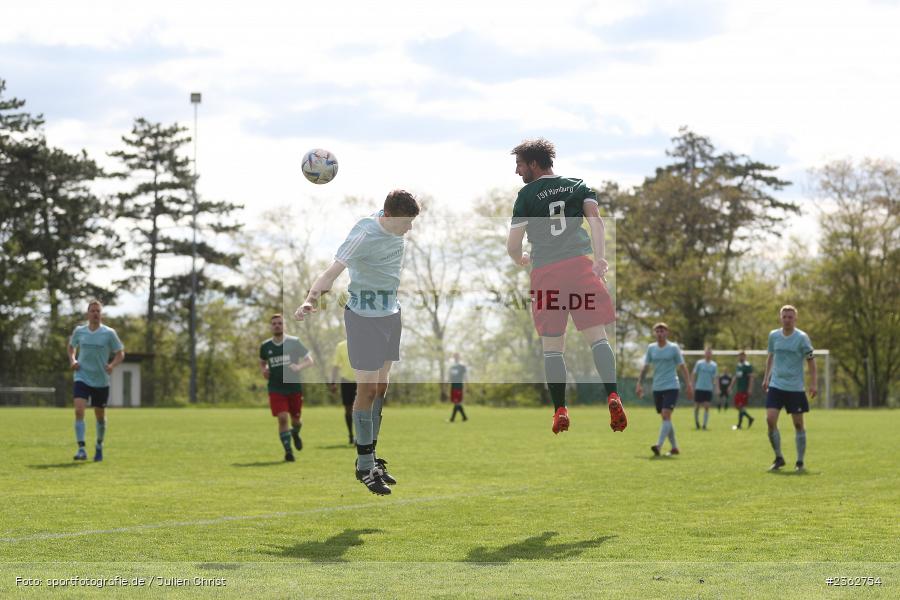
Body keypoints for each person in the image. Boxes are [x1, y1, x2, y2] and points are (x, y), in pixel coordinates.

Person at [295, 189, 420, 496]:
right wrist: (311, 300)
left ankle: (372, 459)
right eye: (405, 223)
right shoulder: (364, 233)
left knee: (380, 388)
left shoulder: (394, 221)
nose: (410, 229)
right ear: (388, 217)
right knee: (365, 389)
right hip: (364, 316)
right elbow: (332, 271)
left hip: (391, 311)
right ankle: (364, 465)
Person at [506, 138, 626, 435]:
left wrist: (519, 258)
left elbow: (513, 244)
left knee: (553, 347)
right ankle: (612, 393)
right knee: (597, 338)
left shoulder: (526, 195)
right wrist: (599, 259)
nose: (517, 171)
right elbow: (596, 222)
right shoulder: (578, 185)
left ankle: (560, 408)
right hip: (579, 266)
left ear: (533, 163)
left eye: (520, 164)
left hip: (547, 273)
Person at [68, 299, 125, 462]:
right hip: (82, 376)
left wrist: (113, 364)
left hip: (101, 380)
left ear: (101, 315)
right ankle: (81, 449)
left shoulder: (109, 333)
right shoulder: (80, 331)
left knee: (99, 416)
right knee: (79, 410)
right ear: (88, 314)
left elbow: (120, 353)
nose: (95, 314)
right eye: (92, 311)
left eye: (98, 311)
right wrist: (73, 360)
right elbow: (71, 347)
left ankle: (99, 445)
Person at [762, 305, 816, 472]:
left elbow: (811, 360)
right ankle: (779, 458)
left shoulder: (802, 338)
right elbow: (771, 356)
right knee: (770, 420)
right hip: (776, 385)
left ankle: (800, 462)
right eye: (784, 316)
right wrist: (766, 377)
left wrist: (813, 383)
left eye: (790, 317)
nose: (787, 319)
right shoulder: (774, 336)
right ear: (780, 318)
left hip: (795, 388)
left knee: (798, 424)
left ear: (795, 319)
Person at [259, 314, 314, 462]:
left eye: (280, 323)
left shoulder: (294, 342)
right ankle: (288, 452)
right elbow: (262, 361)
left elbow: (309, 360)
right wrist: (264, 370)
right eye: (274, 323)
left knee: (296, 421)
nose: (277, 325)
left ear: (284, 325)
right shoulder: (266, 346)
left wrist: (299, 366)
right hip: (276, 388)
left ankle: (295, 433)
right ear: (271, 327)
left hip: (293, 388)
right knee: (282, 418)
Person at [636, 323, 694, 457]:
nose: (660, 333)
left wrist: (689, 385)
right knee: (665, 417)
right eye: (657, 331)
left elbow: (682, 367)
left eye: (662, 331)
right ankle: (674, 447)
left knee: (665, 414)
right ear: (654, 333)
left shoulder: (673, 348)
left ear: (667, 333)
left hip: (672, 385)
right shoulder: (651, 348)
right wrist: (639, 384)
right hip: (657, 387)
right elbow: (645, 367)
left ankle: (658, 445)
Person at [329, 338, 357, 444]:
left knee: (360, 409)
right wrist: (332, 383)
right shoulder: (341, 346)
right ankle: (351, 434)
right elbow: (335, 366)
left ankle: (360, 437)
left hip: (361, 380)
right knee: (348, 410)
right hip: (346, 381)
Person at [728, 351, 756, 429]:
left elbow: (751, 378)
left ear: (745, 357)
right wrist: (731, 386)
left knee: (740, 406)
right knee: (737, 406)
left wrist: (750, 388)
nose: (740, 357)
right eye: (739, 356)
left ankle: (739, 425)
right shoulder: (738, 366)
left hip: (744, 389)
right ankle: (750, 418)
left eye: (742, 356)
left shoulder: (748, 366)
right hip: (738, 389)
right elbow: (735, 377)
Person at [691, 348, 717, 430]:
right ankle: (697, 423)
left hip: (708, 388)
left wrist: (716, 387)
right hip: (699, 387)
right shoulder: (699, 363)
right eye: (707, 353)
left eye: (710, 353)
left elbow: (715, 377)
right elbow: (694, 374)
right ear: (704, 354)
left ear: (711, 354)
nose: (708, 354)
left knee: (706, 406)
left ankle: (704, 425)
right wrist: (692, 384)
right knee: (697, 407)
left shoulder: (714, 365)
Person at [448, 353, 468, 422]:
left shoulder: (462, 367)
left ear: (459, 358)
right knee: (457, 403)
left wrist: (466, 386)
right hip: (453, 386)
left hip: (459, 386)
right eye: (454, 357)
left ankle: (452, 419)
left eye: (457, 357)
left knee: (457, 402)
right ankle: (464, 417)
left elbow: (465, 377)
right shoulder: (452, 367)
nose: (456, 358)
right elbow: (450, 377)